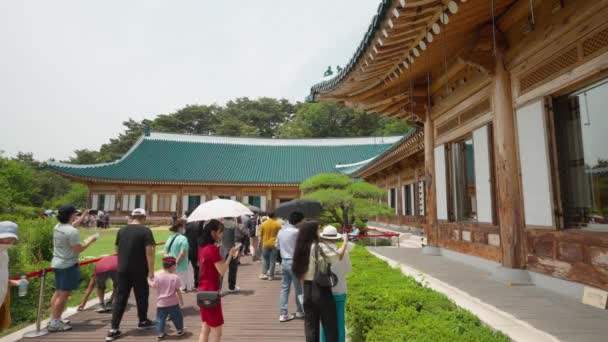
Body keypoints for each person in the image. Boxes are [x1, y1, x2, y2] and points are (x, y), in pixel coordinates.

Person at [293, 221, 348, 342]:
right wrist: (345, 242)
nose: (319, 233)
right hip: (321, 289)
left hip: (307, 289)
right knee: (330, 326)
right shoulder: (318, 246)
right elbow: (338, 256)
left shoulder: (300, 247)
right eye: (318, 230)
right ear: (313, 232)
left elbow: (299, 274)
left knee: (310, 326)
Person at [106, 208, 156, 341]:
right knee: (142, 295)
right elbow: (149, 252)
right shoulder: (145, 231)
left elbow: (116, 248)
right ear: (144, 218)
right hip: (140, 269)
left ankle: (114, 328)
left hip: (123, 269)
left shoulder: (121, 230)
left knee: (121, 297)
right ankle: (143, 320)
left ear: (132, 217)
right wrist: (151, 271)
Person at [47, 206, 97, 332]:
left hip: (57, 262)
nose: (76, 215)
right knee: (63, 295)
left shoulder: (58, 227)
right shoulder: (72, 232)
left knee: (58, 292)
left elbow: (72, 224)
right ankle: (55, 322)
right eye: (75, 213)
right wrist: (90, 241)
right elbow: (78, 249)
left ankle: (54, 318)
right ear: (71, 215)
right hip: (68, 264)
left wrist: (84, 214)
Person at [198, 219, 240, 342]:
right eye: (220, 232)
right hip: (211, 292)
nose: (222, 235)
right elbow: (221, 270)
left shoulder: (203, 247)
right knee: (217, 331)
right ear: (213, 233)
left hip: (202, 290)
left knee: (205, 327)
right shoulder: (212, 249)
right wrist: (229, 256)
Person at [320, 225, 354, 342]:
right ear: (335, 238)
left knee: (324, 322)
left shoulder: (319, 252)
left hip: (324, 292)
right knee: (340, 322)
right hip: (340, 291)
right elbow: (348, 270)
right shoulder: (343, 252)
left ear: (323, 238)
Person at [275, 212, 304, 322]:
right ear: (298, 221)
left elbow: (276, 246)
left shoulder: (281, 231)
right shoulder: (297, 232)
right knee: (298, 288)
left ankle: (283, 314)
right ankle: (300, 311)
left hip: (284, 261)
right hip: (295, 261)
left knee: (285, 288)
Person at [149, 256, 185, 341]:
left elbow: (153, 285)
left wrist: (148, 279)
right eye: (174, 266)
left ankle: (161, 334)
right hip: (173, 303)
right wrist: (181, 301)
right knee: (177, 317)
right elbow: (178, 291)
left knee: (160, 319)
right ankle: (180, 330)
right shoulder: (175, 277)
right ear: (172, 266)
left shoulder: (158, 277)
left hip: (161, 303)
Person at [0, 221, 25, 331]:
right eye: (4, 238)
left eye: (10, 239)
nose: (7, 241)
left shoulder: (4, 253)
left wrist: (13, 282)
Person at [164, 220, 189, 292]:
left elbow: (165, 252)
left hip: (170, 266)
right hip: (181, 266)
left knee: (172, 288)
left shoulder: (170, 238)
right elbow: (182, 254)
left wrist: (169, 264)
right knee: (181, 289)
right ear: (180, 228)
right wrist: (176, 263)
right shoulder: (183, 238)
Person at [258, 212, 281, 280]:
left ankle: (264, 274)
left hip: (265, 244)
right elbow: (280, 235)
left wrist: (259, 243)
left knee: (265, 259)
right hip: (274, 244)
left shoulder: (263, 224)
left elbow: (260, 236)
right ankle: (271, 275)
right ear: (274, 216)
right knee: (272, 260)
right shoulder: (277, 224)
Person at [220, 217, 240, 293]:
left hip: (222, 249)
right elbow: (237, 238)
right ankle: (231, 287)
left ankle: (219, 288)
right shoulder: (234, 225)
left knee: (221, 269)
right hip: (233, 248)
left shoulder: (220, 224)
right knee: (233, 269)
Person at [184, 213, 203, 289]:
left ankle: (184, 285)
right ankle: (196, 284)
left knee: (184, 268)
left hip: (187, 249)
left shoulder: (187, 226)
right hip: (195, 249)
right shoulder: (197, 226)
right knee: (196, 268)